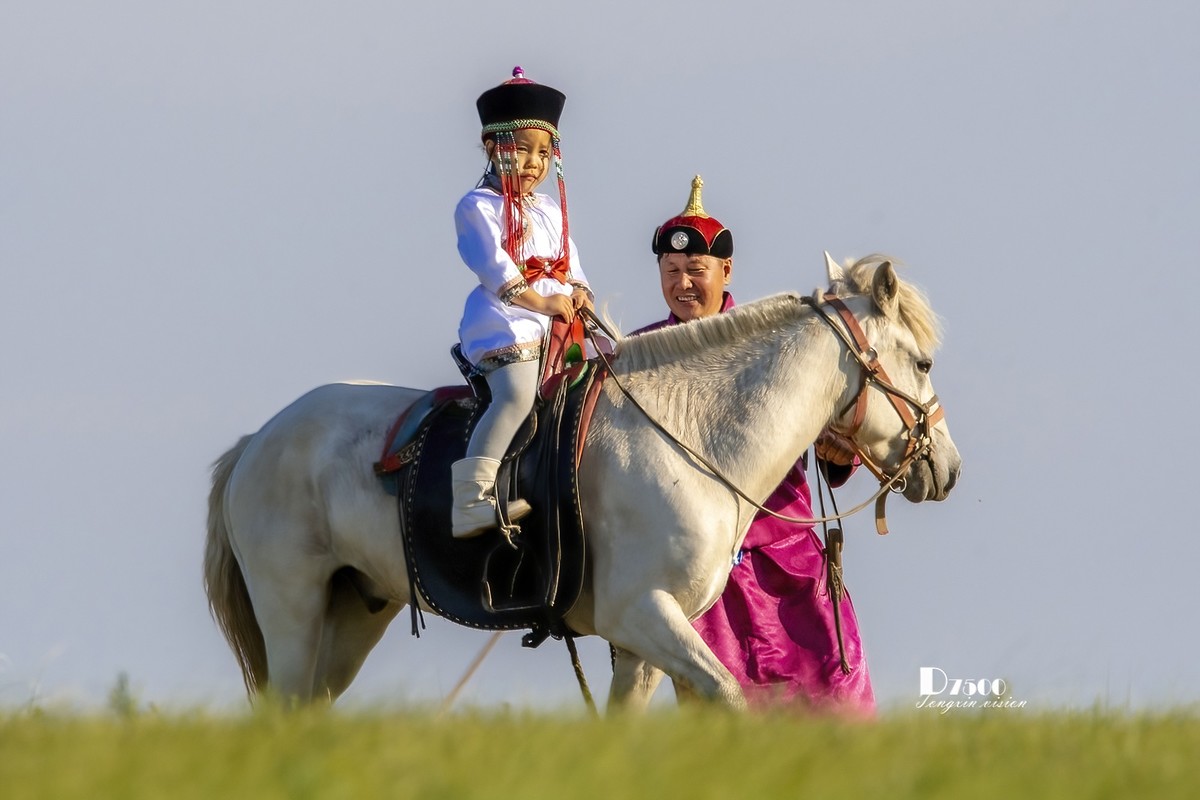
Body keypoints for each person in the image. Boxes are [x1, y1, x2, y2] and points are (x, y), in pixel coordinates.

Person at [634, 176, 875, 713]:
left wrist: (839, 455)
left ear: (726, 271)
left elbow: (829, 427)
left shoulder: (770, 343)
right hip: (698, 563)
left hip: (785, 551)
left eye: (696, 271)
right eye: (671, 272)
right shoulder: (642, 355)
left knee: (833, 698)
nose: (683, 284)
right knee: (721, 713)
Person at [451, 67, 593, 539]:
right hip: (507, 319)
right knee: (515, 394)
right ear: (493, 146)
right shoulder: (477, 207)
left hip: (558, 322)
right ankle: (470, 500)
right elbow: (496, 269)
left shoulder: (550, 209)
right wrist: (543, 302)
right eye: (523, 149)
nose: (534, 162)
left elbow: (571, 265)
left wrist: (579, 294)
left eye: (544, 152)